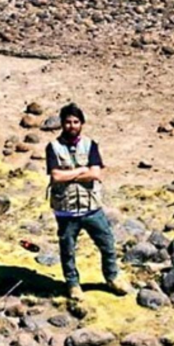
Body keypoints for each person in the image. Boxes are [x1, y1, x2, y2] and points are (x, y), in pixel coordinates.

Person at [45, 103, 130, 301]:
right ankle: (73, 284)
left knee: (107, 244)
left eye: (76, 122)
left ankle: (112, 277)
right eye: (67, 122)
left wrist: (73, 175)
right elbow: (56, 176)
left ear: (82, 123)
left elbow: (95, 174)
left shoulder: (90, 145)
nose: (72, 125)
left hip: (91, 208)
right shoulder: (53, 147)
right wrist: (80, 172)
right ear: (62, 124)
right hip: (66, 210)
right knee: (68, 250)